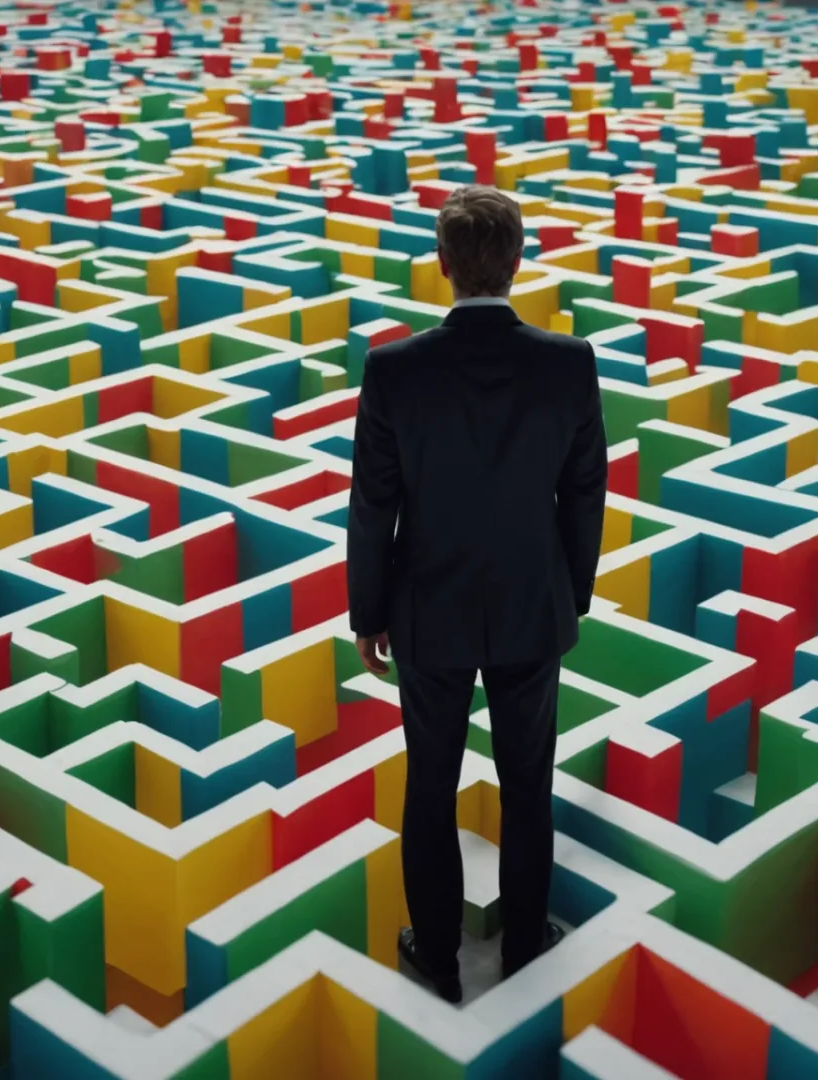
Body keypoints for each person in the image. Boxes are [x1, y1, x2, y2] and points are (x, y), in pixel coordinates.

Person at [346, 185, 608, 1003]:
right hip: (535, 608)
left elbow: (373, 501)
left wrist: (369, 610)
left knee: (430, 786)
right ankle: (528, 943)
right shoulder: (569, 362)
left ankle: (437, 954)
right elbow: (586, 490)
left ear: (444, 265)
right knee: (529, 783)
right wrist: (573, 594)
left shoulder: (394, 370)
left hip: (428, 611)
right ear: (518, 259)